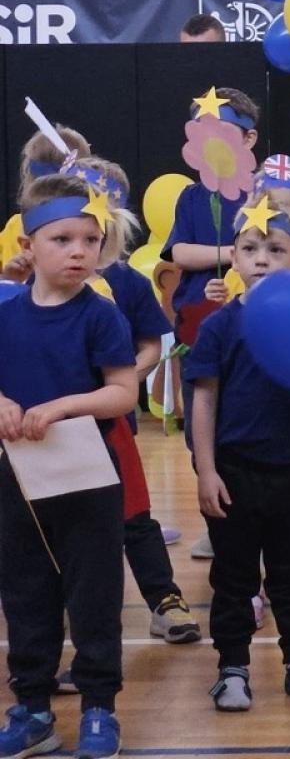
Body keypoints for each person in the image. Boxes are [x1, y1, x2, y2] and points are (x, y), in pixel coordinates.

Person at [0, 173, 139, 759]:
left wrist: (61, 407)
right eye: (62, 239)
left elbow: (122, 392)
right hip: (17, 481)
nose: (79, 250)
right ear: (28, 246)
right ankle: (32, 706)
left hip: (86, 480)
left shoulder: (99, 315)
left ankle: (98, 707)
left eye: (89, 239)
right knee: (26, 594)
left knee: (93, 595)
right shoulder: (5, 313)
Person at [186, 193, 290, 712]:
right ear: (233, 255)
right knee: (232, 577)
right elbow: (203, 398)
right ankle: (232, 667)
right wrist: (205, 470)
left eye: (276, 249)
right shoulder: (219, 325)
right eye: (250, 247)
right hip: (234, 472)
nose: (261, 259)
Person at [72, 158, 200, 647]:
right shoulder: (39, 282)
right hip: (55, 429)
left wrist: (131, 376)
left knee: (133, 514)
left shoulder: (123, 281)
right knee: (71, 524)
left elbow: (152, 340)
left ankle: (164, 599)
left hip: (110, 424)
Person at [162, 89, 258, 349]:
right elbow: (180, 253)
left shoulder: (261, 194)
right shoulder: (191, 196)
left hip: (251, 317)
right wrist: (235, 253)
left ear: (248, 138)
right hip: (198, 315)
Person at [1, 124, 92, 283]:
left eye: (90, 240)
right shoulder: (96, 225)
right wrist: (8, 279)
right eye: (62, 239)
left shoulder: (16, 226)